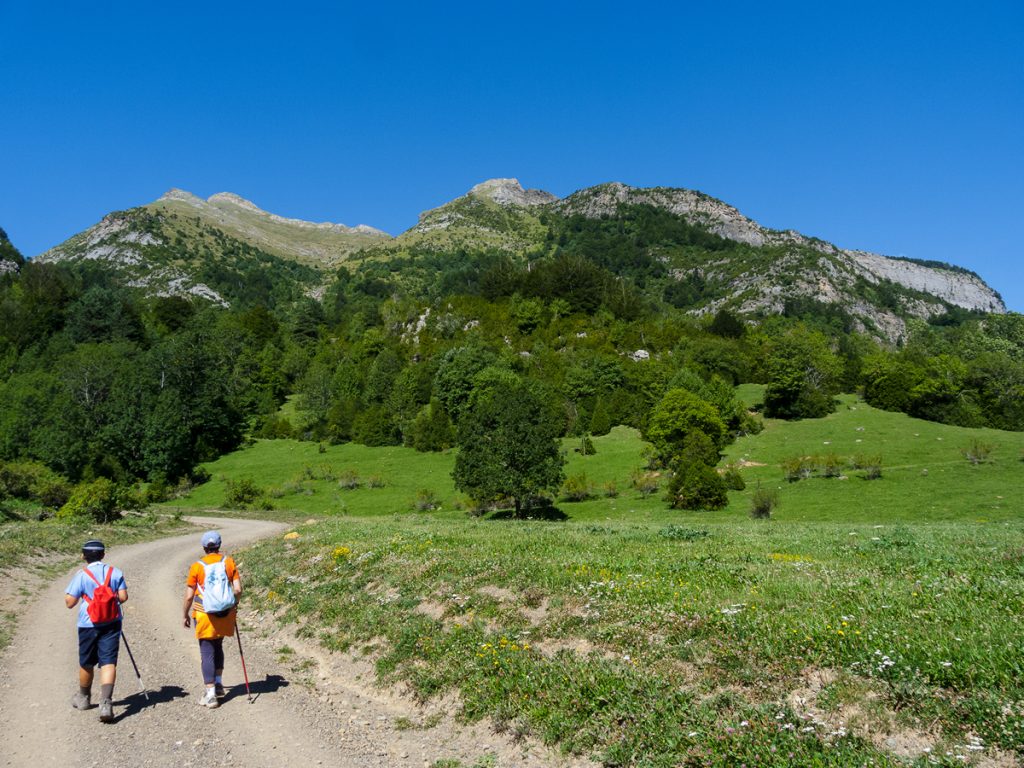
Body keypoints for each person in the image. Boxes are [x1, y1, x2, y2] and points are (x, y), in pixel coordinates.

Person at [65, 539, 128, 723]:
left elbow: (70, 602)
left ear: (83, 556)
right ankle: (106, 702)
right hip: (111, 622)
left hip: (88, 624)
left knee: (86, 661)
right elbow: (123, 597)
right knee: (108, 662)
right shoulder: (115, 572)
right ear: (103, 554)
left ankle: (84, 698)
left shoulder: (81, 575)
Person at [183, 530, 242, 708]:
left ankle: (210, 695)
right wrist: (234, 605)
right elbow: (238, 589)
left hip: (204, 613)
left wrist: (185, 614)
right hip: (225, 612)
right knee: (218, 646)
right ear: (219, 545)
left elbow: (188, 596)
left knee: (206, 651)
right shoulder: (228, 562)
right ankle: (218, 684)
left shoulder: (197, 566)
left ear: (203, 547)